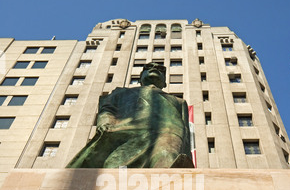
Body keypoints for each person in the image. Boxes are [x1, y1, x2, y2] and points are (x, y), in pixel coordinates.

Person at [66, 62, 194, 168]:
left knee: (167, 154)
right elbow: (108, 108)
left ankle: (166, 184)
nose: (154, 68)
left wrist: (186, 158)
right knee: (115, 163)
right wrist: (105, 122)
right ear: (140, 78)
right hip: (127, 128)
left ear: (165, 82)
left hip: (168, 131)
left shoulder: (179, 102)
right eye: (148, 67)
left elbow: (186, 133)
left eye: (161, 69)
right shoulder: (121, 92)